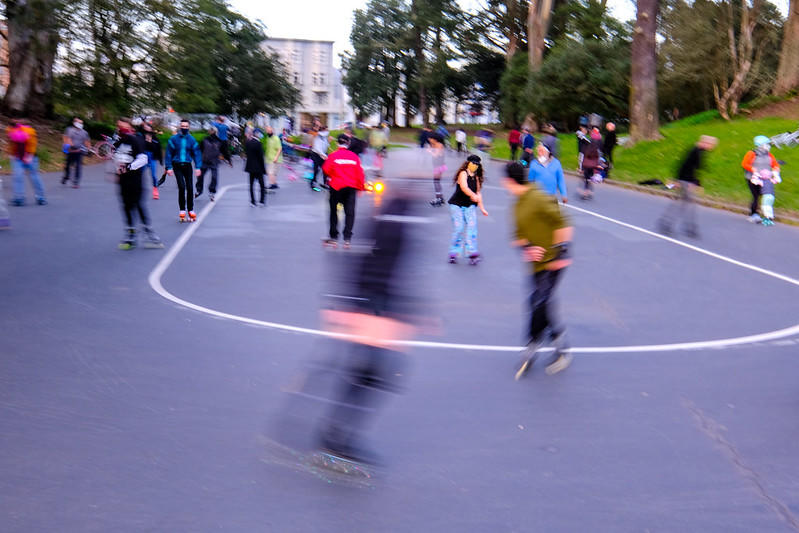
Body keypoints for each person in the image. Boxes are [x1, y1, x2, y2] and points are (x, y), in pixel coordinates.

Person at [501, 162, 573, 379]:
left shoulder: (538, 197)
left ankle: (532, 344)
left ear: (511, 181)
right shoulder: (517, 205)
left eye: (505, 181)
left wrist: (561, 253)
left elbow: (563, 223)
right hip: (535, 265)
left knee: (538, 302)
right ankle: (561, 347)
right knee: (542, 303)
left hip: (553, 262)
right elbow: (517, 237)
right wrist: (527, 248)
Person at [112, 117, 164, 250]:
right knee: (126, 206)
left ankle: (150, 235)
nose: (121, 128)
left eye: (123, 126)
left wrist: (129, 167)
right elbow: (116, 158)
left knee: (139, 205)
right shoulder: (119, 142)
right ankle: (131, 234)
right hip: (123, 181)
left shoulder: (136, 140)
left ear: (130, 127)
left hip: (135, 180)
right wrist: (116, 171)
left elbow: (143, 159)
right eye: (119, 126)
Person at [657, 135, 718, 238]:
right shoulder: (696, 151)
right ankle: (687, 228)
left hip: (686, 180)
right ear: (706, 143)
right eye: (711, 145)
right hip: (686, 180)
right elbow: (686, 166)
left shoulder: (698, 151)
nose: (712, 148)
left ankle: (668, 223)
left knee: (683, 204)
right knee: (688, 204)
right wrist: (685, 182)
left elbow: (694, 167)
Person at [321, 134, 366, 248]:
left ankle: (334, 237)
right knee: (350, 213)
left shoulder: (333, 156)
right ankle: (347, 239)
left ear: (337, 143)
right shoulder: (354, 157)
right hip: (351, 188)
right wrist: (360, 187)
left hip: (336, 187)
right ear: (348, 143)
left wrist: (334, 175)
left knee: (333, 212)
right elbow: (360, 174)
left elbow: (326, 169)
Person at [448, 154, 489, 265]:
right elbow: (464, 187)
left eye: (477, 164)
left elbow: (478, 193)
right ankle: (453, 253)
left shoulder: (476, 177)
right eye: (473, 163)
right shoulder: (463, 173)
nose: (475, 166)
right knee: (459, 228)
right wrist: (472, 195)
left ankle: (472, 253)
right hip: (456, 205)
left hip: (469, 206)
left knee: (472, 228)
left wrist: (482, 208)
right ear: (468, 163)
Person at [165, 119, 202, 222]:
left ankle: (190, 209)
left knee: (190, 188)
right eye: (182, 126)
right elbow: (168, 154)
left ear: (189, 127)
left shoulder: (192, 140)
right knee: (182, 187)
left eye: (186, 126)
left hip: (187, 165)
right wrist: (168, 167)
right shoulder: (173, 139)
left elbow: (197, 154)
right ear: (179, 127)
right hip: (177, 166)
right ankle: (182, 210)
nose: (184, 128)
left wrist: (198, 167)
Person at [742, 135, 781, 224]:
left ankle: (766, 214)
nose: (768, 146)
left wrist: (776, 169)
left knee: (765, 196)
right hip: (752, 178)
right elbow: (745, 163)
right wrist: (753, 169)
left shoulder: (769, 154)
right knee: (756, 196)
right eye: (766, 144)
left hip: (765, 179)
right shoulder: (752, 153)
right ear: (760, 145)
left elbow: (774, 164)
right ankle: (753, 214)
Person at [7, 119, 46, 206]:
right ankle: (38, 197)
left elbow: (32, 144)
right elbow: (12, 144)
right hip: (20, 157)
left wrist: (30, 156)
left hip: (28, 157)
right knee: (27, 176)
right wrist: (11, 154)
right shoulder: (13, 131)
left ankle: (24, 198)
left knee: (23, 177)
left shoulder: (29, 132)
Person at [61, 117, 91, 188]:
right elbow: (66, 139)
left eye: (81, 123)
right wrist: (70, 145)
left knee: (78, 166)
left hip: (79, 151)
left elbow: (87, 142)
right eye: (79, 123)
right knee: (68, 165)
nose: (80, 124)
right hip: (70, 150)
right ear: (74, 123)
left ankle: (76, 182)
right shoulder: (69, 130)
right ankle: (66, 176)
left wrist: (88, 149)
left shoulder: (84, 132)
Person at [196, 126, 223, 201]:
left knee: (214, 177)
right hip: (205, 161)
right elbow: (199, 149)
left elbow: (224, 151)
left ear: (215, 132)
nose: (210, 132)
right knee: (200, 176)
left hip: (214, 162)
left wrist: (228, 160)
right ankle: (199, 190)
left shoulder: (219, 141)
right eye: (210, 130)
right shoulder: (205, 140)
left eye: (212, 131)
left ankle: (212, 191)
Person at [244, 128, 267, 207]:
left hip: (250, 167)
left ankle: (253, 202)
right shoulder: (258, 143)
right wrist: (264, 170)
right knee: (261, 185)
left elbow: (246, 153)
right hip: (258, 167)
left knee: (251, 185)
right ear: (255, 134)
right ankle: (262, 201)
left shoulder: (247, 143)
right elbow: (261, 157)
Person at [141, 122, 163, 200]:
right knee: (140, 174)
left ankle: (155, 189)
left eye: (148, 129)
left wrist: (161, 160)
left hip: (152, 158)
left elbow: (157, 149)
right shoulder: (141, 137)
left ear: (151, 129)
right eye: (145, 129)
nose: (147, 130)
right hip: (143, 158)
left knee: (153, 175)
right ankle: (139, 190)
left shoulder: (155, 139)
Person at [579, 128, 602, 200]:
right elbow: (599, 157)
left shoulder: (588, 145)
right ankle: (589, 192)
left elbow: (584, 155)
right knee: (590, 178)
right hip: (593, 165)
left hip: (587, 164)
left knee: (586, 178)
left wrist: (581, 168)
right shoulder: (599, 146)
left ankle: (585, 193)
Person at [309, 126, 330, 191]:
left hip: (322, 155)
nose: (327, 131)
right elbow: (317, 148)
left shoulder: (324, 137)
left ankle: (325, 183)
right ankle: (313, 183)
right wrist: (324, 155)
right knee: (317, 169)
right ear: (323, 130)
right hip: (316, 155)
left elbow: (325, 146)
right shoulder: (317, 136)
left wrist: (329, 142)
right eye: (326, 130)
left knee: (325, 169)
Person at [429, 133, 447, 206]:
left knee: (436, 181)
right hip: (436, 165)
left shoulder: (439, 145)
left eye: (430, 138)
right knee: (436, 182)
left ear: (434, 139)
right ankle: (440, 198)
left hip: (439, 166)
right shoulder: (434, 145)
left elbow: (436, 155)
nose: (429, 140)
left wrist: (430, 151)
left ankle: (439, 198)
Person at [264, 126, 283, 190]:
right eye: (267, 131)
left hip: (274, 158)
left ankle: (272, 184)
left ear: (272, 131)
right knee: (273, 172)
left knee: (270, 172)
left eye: (270, 131)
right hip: (270, 158)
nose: (269, 132)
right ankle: (274, 184)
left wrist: (276, 158)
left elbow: (279, 148)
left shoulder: (276, 138)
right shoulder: (268, 138)